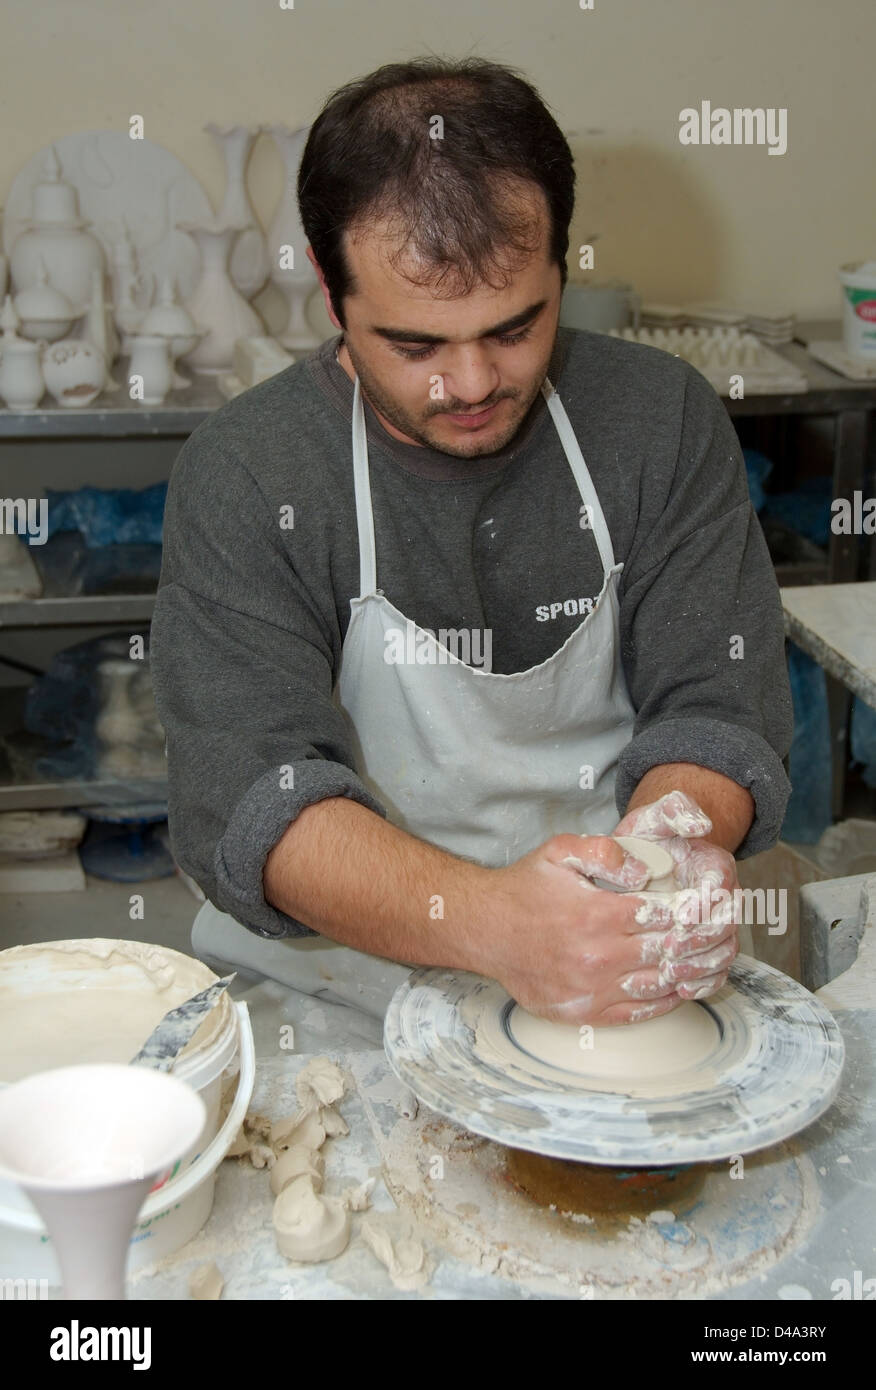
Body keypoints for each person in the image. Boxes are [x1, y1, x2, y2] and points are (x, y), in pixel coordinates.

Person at [150, 57, 792, 1027]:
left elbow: (718, 707)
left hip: (612, 949)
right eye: (416, 346)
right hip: (340, 976)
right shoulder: (249, 472)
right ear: (331, 294)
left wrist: (659, 870)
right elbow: (249, 790)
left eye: (516, 325)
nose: (473, 381)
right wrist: (493, 923)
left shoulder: (661, 422)